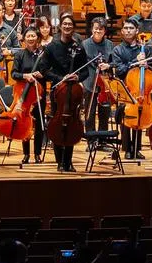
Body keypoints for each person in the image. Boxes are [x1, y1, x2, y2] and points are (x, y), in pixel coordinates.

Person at [42, 12, 85, 172]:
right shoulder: (52, 47)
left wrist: (77, 76)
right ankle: (60, 161)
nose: (67, 27)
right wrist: (61, 77)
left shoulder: (78, 47)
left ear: (73, 28)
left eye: (70, 25)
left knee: (72, 125)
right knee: (57, 124)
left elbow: (86, 71)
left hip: (73, 91)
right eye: (65, 24)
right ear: (60, 26)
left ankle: (69, 161)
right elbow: (44, 70)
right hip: (57, 91)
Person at [112, 18, 150, 160]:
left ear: (137, 31)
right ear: (122, 31)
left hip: (140, 88)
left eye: (131, 28)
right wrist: (135, 62)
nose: (128, 30)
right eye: (126, 28)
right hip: (125, 88)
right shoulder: (118, 49)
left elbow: (151, 68)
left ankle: (137, 149)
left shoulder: (143, 48)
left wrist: (146, 65)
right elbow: (119, 70)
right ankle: (127, 148)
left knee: (140, 117)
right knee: (126, 119)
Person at [12, 25, 48, 165]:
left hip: (39, 94)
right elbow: (14, 74)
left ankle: (37, 154)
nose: (31, 38)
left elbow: (47, 71)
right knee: (25, 122)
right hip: (24, 93)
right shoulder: (20, 54)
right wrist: (25, 75)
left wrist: (42, 75)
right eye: (28, 36)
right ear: (24, 39)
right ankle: (26, 154)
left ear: (37, 38)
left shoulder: (43, 54)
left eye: (33, 36)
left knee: (39, 124)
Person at [80, 16, 115, 131]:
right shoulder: (85, 44)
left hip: (104, 85)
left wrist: (108, 65)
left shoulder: (109, 44)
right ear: (91, 29)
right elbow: (80, 64)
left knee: (104, 113)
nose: (98, 31)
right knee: (89, 112)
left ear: (104, 31)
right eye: (96, 28)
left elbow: (114, 62)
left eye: (101, 29)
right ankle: (91, 139)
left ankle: (102, 139)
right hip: (89, 83)